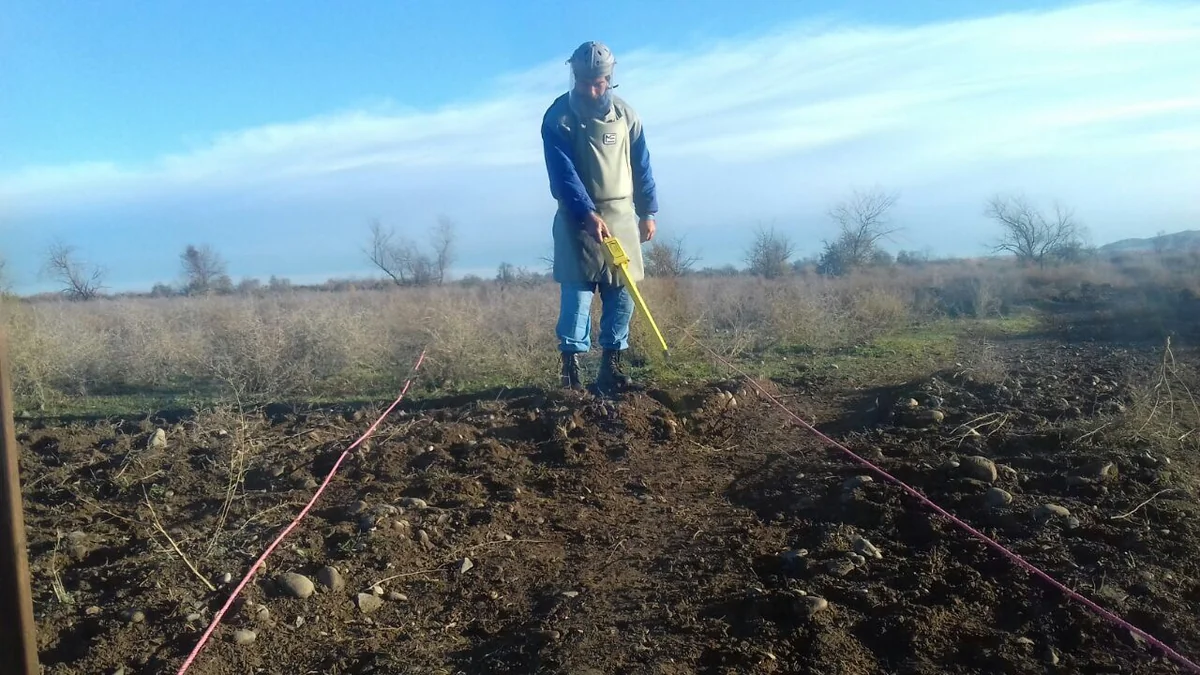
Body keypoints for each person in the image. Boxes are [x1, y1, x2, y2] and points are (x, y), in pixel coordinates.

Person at [541, 40, 659, 394]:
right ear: (574, 76)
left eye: (599, 81)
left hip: (621, 214)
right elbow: (563, 175)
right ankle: (571, 371)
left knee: (622, 292)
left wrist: (648, 210)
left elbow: (642, 165)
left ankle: (612, 366)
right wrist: (586, 213)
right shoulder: (557, 118)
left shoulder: (627, 115)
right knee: (577, 293)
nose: (592, 88)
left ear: (610, 78)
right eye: (585, 81)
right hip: (577, 218)